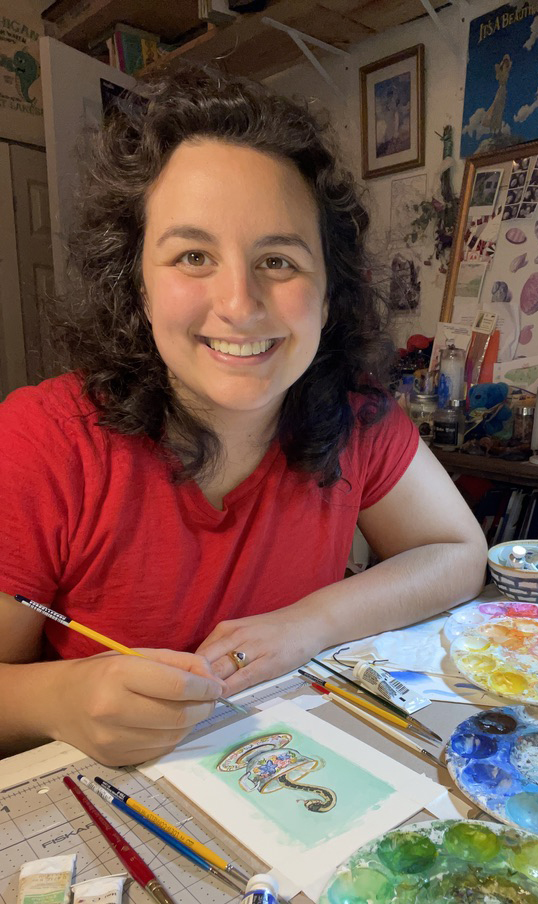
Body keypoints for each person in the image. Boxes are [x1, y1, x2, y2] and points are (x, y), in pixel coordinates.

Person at [0, 66, 486, 767]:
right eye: (193, 256)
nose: (239, 303)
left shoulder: (357, 417)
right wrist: (55, 699)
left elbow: (459, 553)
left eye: (279, 261)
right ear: (137, 286)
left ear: (328, 293)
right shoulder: (42, 440)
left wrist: (308, 623)